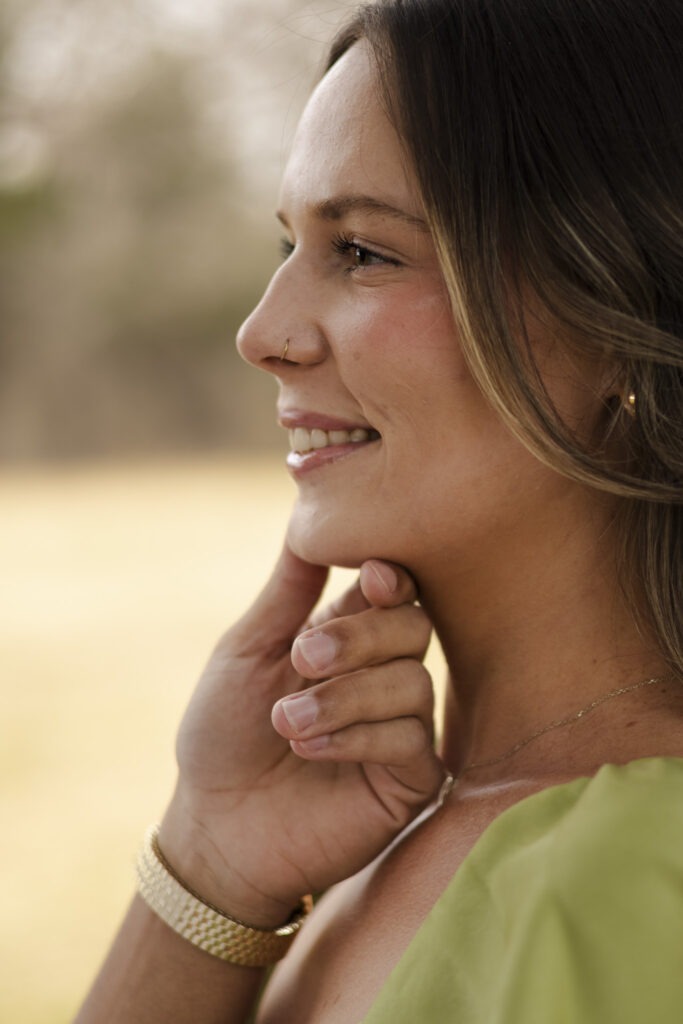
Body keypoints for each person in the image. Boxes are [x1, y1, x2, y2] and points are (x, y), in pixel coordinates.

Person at [75, 0, 683, 1021]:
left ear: (614, 309)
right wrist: (210, 856)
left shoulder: (625, 879)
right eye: (288, 247)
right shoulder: (395, 830)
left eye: (361, 250)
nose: (261, 332)